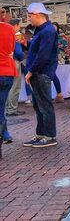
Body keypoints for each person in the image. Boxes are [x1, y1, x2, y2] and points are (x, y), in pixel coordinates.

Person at [23, 3, 59, 148]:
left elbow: (43, 56)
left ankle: (49, 136)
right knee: (39, 105)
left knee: (44, 105)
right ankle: (41, 134)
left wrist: (31, 71)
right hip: (39, 72)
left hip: (41, 73)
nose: (29, 18)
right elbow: (38, 52)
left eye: (30, 15)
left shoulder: (47, 31)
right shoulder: (42, 30)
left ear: (38, 15)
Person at [0, 20, 18, 155]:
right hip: (7, 71)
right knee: (1, 107)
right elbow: (12, 49)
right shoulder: (9, 28)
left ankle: (4, 134)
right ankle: (4, 134)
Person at [5, 19, 26, 117]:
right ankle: (11, 109)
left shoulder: (5, 34)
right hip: (15, 61)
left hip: (7, 61)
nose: (20, 27)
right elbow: (18, 52)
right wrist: (22, 57)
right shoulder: (16, 35)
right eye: (19, 25)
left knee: (10, 86)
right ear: (15, 25)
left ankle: (8, 108)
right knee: (15, 86)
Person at [51, 22, 67, 103]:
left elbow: (64, 44)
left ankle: (59, 94)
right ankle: (59, 94)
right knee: (53, 75)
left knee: (52, 75)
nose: (53, 28)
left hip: (57, 55)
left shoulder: (60, 35)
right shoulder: (49, 34)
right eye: (52, 27)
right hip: (52, 56)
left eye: (55, 27)